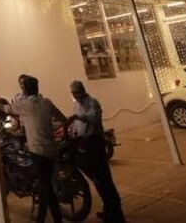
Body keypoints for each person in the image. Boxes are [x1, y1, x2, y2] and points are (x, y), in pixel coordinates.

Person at [9, 74, 66, 222]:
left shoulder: (25, 105)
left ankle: (56, 218)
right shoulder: (46, 102)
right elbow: (62, 119)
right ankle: (41, 217)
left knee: (46, 186)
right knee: (44, 184)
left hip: (37, 150)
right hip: (51, 150)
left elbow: (7, 108)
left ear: (25, 89)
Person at [67, 80, 125, 223]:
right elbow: (77, 125)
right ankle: (108, 209)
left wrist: (78, 117)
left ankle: (116, 213)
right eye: (73, 93)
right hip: (85, 144)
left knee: (104, 179)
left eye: (77, 93)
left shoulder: (92, 102)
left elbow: (94, 118)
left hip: (95, 144)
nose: (76, 96)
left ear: (83, 90)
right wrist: (73, 130)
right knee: (97, 180)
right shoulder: (76, 105)